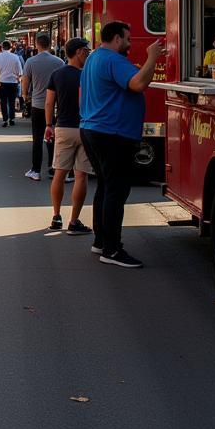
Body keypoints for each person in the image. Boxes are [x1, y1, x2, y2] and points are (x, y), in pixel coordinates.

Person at [80, 20, 165, 269]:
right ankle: (112, 249)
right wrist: (152, 58)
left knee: (106, 187)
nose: (129, 43)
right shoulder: (113, 60)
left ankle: (101, 240)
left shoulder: (95, 58)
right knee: (116, 191)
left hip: (94, 129)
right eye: (127, 38)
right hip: (112, 133)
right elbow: (138, 84)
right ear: (117, 38)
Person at [44, 38, 93, 233]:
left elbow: (49, 103)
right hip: (85, 128)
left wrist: (49, 125)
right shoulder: (88, 76)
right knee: (81, 176)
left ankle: (56, 216)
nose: (88, 54)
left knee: (60, 173)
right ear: (79, 52)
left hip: (63, 127)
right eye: (86, 51)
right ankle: (74, 221)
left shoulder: (57, 74)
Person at [22, 32, 64, 182]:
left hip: (38, 104)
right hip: (55, 106)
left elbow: (25, 81)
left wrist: (25, 95)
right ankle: (53, 168)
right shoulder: (59, 62)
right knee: (53, 137)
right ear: (50, 44)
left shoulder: (31, 62)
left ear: (37, 44)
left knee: (37, 138)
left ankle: (36, 170)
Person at [0, 40, 24, 126]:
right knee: (11, 101)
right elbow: (20, 71)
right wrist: (18, 79)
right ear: (11, 47)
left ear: (2, 47)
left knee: (3, 101)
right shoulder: (15, 57)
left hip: (2, 82)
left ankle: (5, 120)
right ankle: (12, 118)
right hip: (13, 82)